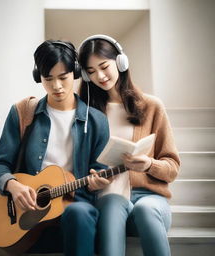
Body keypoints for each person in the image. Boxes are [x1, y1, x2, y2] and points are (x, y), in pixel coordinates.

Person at [0, 39, 110, 256]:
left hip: (75, 208)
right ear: (39, 77)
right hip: (29, 213)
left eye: (63, 77)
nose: (57, 86)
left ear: (75, 73)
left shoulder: (97, 121)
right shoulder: (22, 112)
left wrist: (97, 182)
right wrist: (13, 186)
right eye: (48, 79)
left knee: (79, 213)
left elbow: (98, 171)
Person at [78, 34, 180, 256]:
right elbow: (76, 167)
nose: (100, 76)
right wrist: (91, 183)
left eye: (104, 66)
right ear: (85, 75)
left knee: (146, 209)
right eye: (91, 71)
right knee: (112, 204)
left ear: (121, 61)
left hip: (149, 200)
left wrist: (149, 165)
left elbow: (172, 167)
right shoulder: (86, 113)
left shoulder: (152, 106)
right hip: (108, 200)